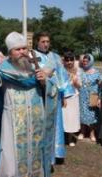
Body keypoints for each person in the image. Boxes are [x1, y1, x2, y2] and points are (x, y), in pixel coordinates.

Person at [0, 31, 58, 177]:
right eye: (18, 49)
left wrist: (44, 82)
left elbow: (52, 91)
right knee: (12, 160)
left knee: (36, 155)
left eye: (24, 48)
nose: (22, 52)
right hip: (13, 122)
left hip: (36, 121)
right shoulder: (4, 69)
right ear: (10, 53)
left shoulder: (36, 67)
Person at [33, 32, 74, 161]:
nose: (46, 44)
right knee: (40, 125)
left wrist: (64, 96)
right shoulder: (31, 55)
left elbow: (63, 76)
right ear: (37, 42)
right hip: (38, 96)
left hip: (54, 96)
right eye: (43, 41)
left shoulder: (55, 57)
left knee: (54, 125)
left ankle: (53, 154)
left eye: (47, 42)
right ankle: (39, 154)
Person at [78, 54, 100, 142]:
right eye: (84, 61)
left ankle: (92, 133)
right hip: (82, 96)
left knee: (92, 115)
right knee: (82, 114)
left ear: (91, 61)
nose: (85, 63)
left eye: (87, 61)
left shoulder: (97, 72)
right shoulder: (80, 71)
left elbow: (100, 85)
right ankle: (82, 132)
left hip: (93, 96)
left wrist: (99, 97)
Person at [62, 52, 81, 147]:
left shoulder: (78, 71)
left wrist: (75, 82)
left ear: (74, 61)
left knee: (71, 119)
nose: (69, 62)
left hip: (73, 97)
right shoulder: (60, 71)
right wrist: (62, 97)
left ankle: (70, 139)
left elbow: (80, 86)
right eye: (67, 60)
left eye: (71, 60)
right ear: (64, 61)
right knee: (64, 118)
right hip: (63, 97)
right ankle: (62, 138)